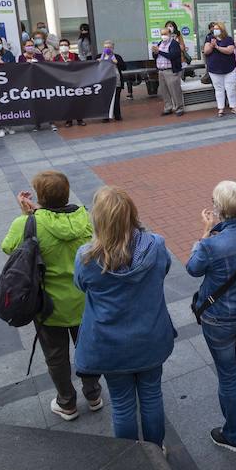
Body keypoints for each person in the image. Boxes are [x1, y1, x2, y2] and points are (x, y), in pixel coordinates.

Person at [75, 186, 175, 445]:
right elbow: (164, 268)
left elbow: (80, 285)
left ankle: (132, 457)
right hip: (151, 338)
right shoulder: (156, 246)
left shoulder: (86, 257)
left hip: (110, 345)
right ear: (131, 213)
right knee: (152, 396)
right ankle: (156, 451)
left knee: (121, 403)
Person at [2, 171, 100, 421]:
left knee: (56, 356)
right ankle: (93, 394)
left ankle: (67, 403)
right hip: (84, 302)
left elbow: (8, 247)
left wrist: (29, 216)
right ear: (66, 193)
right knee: (87, 348)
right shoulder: (86, 217)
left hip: (48, 307)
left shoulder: (27, 223)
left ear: (40, 197)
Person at [186, 181, 236, 451]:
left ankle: (233, 435)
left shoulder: (211, 245)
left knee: (228, 375)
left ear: (219, 209)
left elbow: (192, 269)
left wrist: (205, 232)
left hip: (220, 318)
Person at [204, 22, 236, 117]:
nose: (215, 30)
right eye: (214, 29)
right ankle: (221, 108)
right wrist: (212, 46)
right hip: (214, 69)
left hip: (229, 68)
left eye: (217, 28)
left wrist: (217, 47)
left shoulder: (228, 39)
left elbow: (229, 51)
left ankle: (233, 106)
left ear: (222, 29)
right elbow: (206, 51)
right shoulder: (209, 38)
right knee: (219, 89)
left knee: (231, 88)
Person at [152, 22, 186, 117]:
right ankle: (168, 107)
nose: (163, 36)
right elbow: (156, 56)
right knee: (164, 91)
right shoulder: (160, 43)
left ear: (170, 34)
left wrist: (159, 51)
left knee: (175, 90)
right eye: (162, 34)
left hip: (171, 70)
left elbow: (172, 56)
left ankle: (179, 108)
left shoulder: (174, 43)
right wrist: (155, 52)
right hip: (161, 71)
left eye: (165, 34)